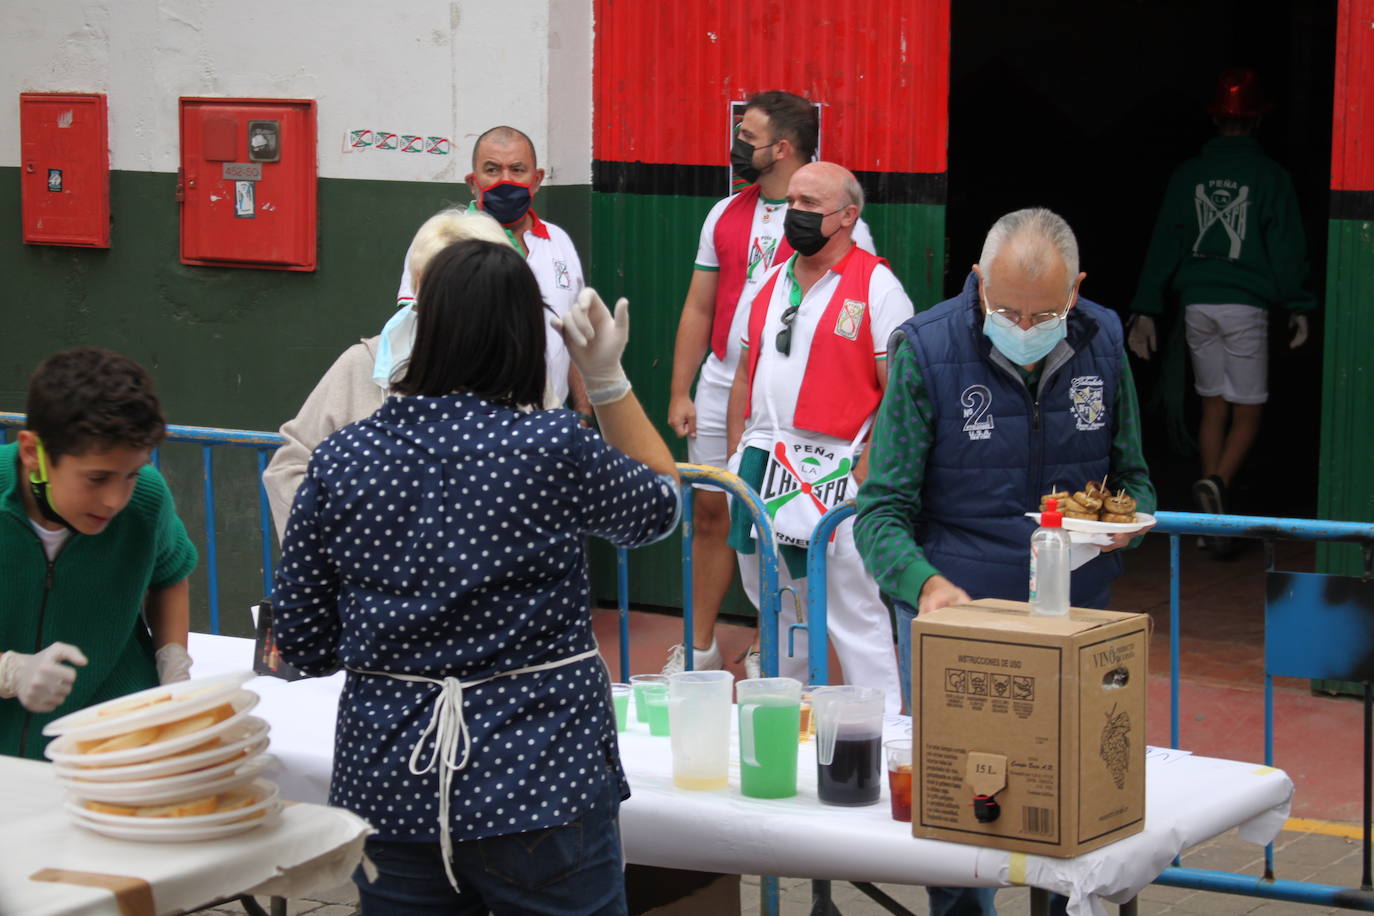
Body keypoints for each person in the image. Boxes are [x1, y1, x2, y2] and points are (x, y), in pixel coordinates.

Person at [272, 238, 680, 914]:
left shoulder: (342, 459)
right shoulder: (552, 446)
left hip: (391, 785)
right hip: (542, 783)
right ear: (523, 338)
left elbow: (304, 643)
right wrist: (607, 381)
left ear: (422, 331)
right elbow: (661, 507)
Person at [854, 208, 1155, 915]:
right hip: (962, 618)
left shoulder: (1105, 340)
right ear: (976, 281)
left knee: (1069, 802)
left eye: (1044, 312)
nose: (1024, 327)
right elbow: (880, 512)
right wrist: (925, 587)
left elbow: (1135, 478)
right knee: (963, 809)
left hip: (1073, 617)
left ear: (1076, 291)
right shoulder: (925, 350)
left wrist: (1125, 528)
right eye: (1006, 310)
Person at [665, 90, 875, 677]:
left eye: (747, 137)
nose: (736, 148)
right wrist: (682, 390)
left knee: (779, 524)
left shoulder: (834, 222)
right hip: (720, 385)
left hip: (786, 401)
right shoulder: (724, 213)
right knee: (709, 514)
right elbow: (698, 306)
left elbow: (861, 324)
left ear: (780, 149)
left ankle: (769, 645)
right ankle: (700, 644)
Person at [724, 161, 907, 713]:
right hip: (762, 462)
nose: (794, 214)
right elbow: (743, 371)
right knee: (778, 611)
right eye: (792, 202)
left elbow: (901, 388)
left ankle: (884, 735)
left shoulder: (877, 285)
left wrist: (872, 464)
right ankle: (782, 727)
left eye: (810, 205)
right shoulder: (768, 281)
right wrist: (737, 451)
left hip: (837, 471)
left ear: (848, 216)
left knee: (854, 613)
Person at [1127, 68, 1313, 553]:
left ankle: (1211, 520)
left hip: (1196, 305)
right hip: (1245, 306)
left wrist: (1146, 308)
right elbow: (1286, 245)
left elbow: (1165, 243)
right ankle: (1218, 485)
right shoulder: (1271, 177)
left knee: (1212, 405)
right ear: (1256, 122)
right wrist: (1299, 304)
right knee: (1248, 410)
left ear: (1215, 121)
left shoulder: (1188, 174)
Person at [262, 209, 510, 540]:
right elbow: (289, 468)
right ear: (418, 285)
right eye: (441, 284)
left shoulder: (519, 376)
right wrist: (351, 543)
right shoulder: (365, 365)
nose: (456, 302)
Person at [0, 348, 197, 759]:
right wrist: (9, 673)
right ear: (31, 452)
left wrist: (172, 659)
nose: (114, 500)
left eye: (131, 474)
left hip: (114, 746)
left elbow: (169, 577)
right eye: (97, 478)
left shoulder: (147, 498)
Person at [395, 125, 591, 418]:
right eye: (492, 170)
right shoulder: (442, 240)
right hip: (465, 420)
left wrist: (583, 411)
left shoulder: (559, 241)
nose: (505, 180)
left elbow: (574, 336)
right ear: (473, 182)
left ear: (536, 179)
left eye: (517, 169)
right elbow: (414, 334)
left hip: (547, 420)